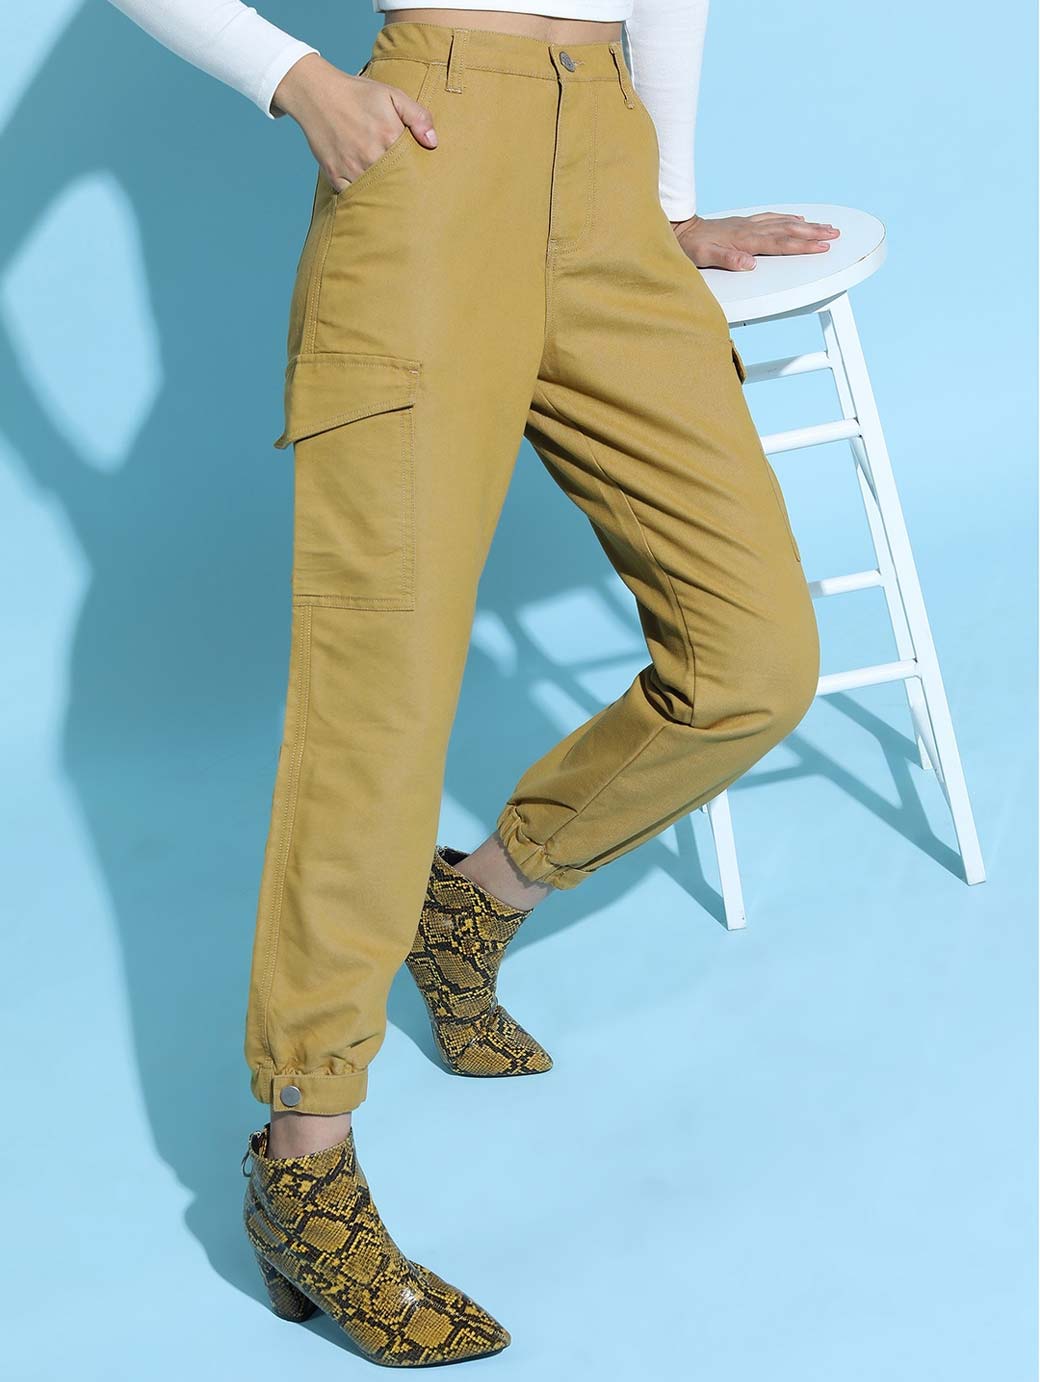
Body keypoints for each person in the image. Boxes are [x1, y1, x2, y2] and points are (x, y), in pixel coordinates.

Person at [108, 0, 837, 1366]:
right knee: (377, 702)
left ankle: (473, 904)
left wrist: (664, 205)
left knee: (755, 660)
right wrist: (296, 80)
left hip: (609, 170)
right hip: (432, 162)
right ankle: (302, 1163)